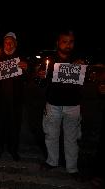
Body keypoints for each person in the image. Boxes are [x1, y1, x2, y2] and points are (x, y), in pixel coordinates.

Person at [37, 30, 86, 178]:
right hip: (53, 104)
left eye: (71, 42)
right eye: (64, 41)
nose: (67, 45)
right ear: (58, 43)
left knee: (72, 138)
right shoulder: (49, 60)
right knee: (51, 135)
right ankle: (52, 161)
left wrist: (84, 67)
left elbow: (85, 80)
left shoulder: (79, 59)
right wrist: (40, 76)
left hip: (73, 105)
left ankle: (72, 168)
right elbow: (41, 83)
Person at [0, 32, 28, 161]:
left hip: (16, 99)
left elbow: (28, 78)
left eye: (11, 42)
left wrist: (26, 68)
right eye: (6, 42)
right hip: (0, 99)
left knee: (15, 125)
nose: (8, 45)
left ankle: (13, 150)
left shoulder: (21, 58)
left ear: (15, 43)